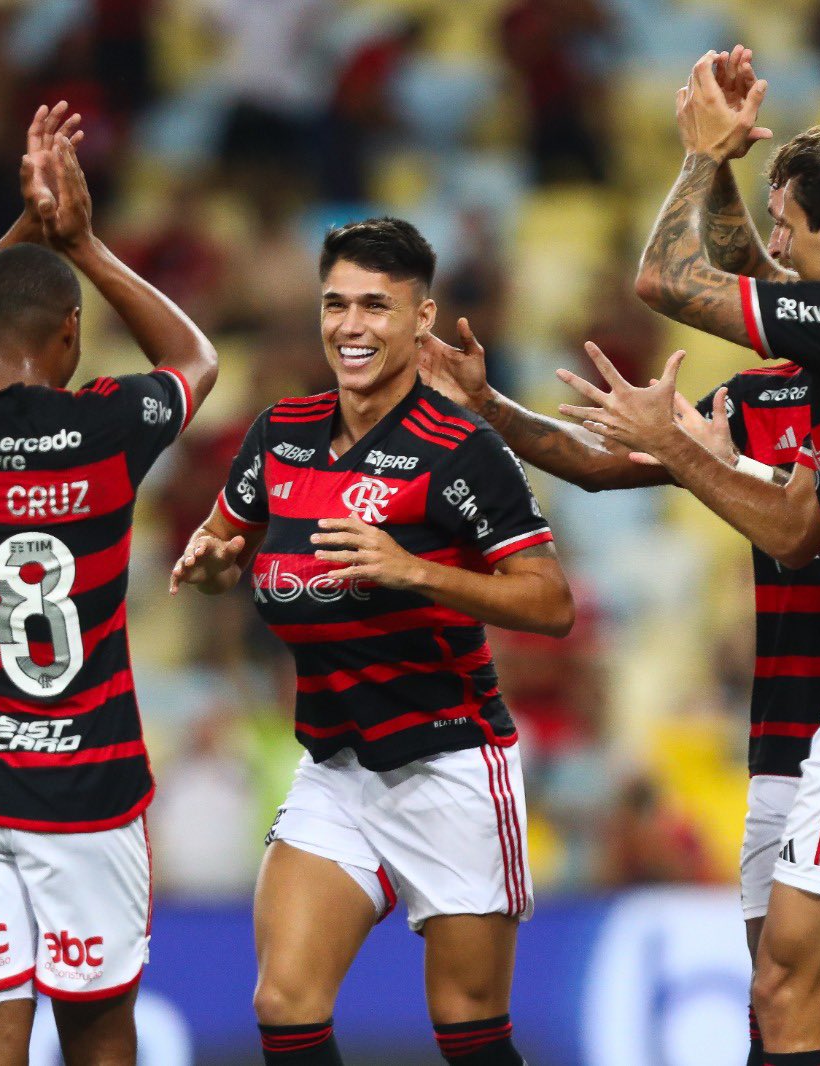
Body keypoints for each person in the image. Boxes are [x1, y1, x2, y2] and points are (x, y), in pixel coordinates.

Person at [424, 45, 820, 1066]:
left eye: (789, 223)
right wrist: (492, 404)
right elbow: (753, 281)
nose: (776, 244)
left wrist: (699, 156)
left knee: (789, 989)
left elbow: (669, 280)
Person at [171, 216, 574, 1066]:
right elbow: (222, 544)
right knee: (284, 1004)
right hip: (335, 766)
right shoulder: (280, 434)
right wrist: (208, 566)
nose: (351, 326)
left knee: (469, 1033)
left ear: (421, 319)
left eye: (375, 306)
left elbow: (550, 603)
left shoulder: (461, 450)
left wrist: (413, 570)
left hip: (451, 764)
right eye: (336, 304)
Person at [0, 104, 218, 1065]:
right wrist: (84, 244)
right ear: (72, 333)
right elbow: (195, 358)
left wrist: (25, 229)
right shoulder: (106, 429)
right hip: (88, 787)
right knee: (101, 1042)